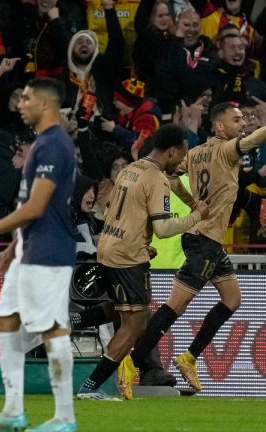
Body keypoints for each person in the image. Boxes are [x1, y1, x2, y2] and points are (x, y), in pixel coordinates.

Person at [128, 102, 266, 392]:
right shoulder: (226, 149)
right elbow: (252, 141)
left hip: (206, 241)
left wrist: (188, 199)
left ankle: (188, 357)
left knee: (232, 299)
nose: (243, 123)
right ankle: (130, 364)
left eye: (243, 119)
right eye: (237, 120)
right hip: (204, 241)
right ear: (220, 127)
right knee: (176, 305)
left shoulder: (195, 153)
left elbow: (170, 174)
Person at [0, 77, 78, 432]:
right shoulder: (41, 144)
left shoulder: (55, 146)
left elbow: (37, 207)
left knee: (52, 328)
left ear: (45, 105)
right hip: (28, 249)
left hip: (49, 250)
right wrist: (13, 248)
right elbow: (29, 205)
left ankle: (64, 417)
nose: (20, 104)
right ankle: (13, 411)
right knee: (6, 320)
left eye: (26, 98)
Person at [76, 124, 209, 400]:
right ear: (171, 151)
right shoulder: (157, 179)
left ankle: (72, 321)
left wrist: (139, 242)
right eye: (181, 155)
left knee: (120, 308)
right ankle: (92, 386)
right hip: (127, 257)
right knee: (136, 323)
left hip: (109, 248)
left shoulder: (130, 169)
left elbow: (116, 211)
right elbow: (163, 229)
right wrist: (197, 215)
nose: (182, 161)